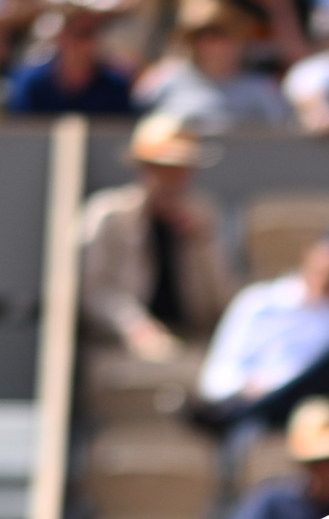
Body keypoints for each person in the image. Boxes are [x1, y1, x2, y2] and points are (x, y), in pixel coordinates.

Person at [199, 235, 329, 437]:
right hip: (270, 407)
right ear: (309, 258)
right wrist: (247, 386)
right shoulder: (257, 303)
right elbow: (217, 379)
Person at [78, 114, 230, 365]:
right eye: (164, 168)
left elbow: (219, 298)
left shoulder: (203, 214)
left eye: (182, 169)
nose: (174, 178)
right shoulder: (107, 215)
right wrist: (135, 326)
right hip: (118, 346)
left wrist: (202, 244)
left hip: (192, 342)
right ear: (142, 168)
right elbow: (93, 291)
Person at [133, 0, 291, 130]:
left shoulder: (260, 88)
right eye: (201, 34)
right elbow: (136, 125)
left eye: (219, 33)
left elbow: (279, 134)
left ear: (241, 38)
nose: (210, 42)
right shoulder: (164, 78)